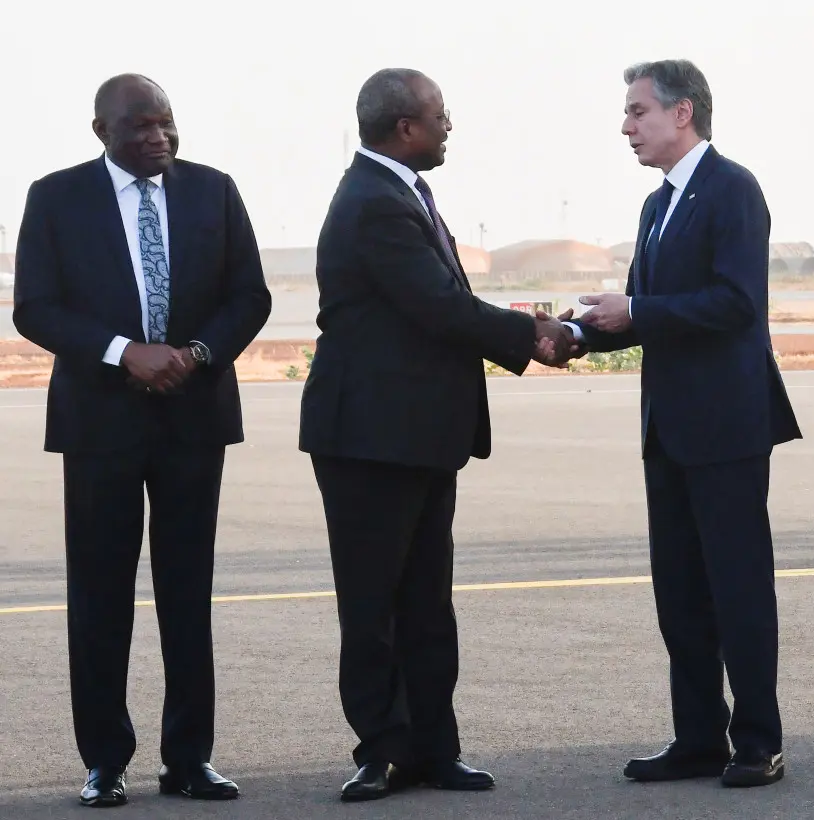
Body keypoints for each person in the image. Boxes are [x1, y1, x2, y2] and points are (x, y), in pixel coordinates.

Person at [298, 67, 574, 803]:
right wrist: (533, 335)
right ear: (404, 128)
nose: (449, 126)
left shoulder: (399, 193)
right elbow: (438, 305)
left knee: (425, 600)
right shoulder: (375, 202)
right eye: (440, 116)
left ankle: (433, 746)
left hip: (416, 435)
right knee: (375, 603)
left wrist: (528, 331)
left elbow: (444, 302)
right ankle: (384, 749)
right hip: (367, 438)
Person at [12, 74, 271, 806]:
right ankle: (104, 760)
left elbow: (250, 295)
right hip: (101, 424)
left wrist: (194, 355)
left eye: (168, 124)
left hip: (194, 418)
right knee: (99, 596)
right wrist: (123, 351)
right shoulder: (56, 197)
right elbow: (35, 306)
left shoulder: (214, 191)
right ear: (102, 131)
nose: (158, 137)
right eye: (141, 127)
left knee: (187, 593)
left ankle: (189, 758)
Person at [558, 58, 801, 788]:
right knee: (682, 595)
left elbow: (734, 304)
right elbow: (639, 313)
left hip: (726, 426)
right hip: (667, 427)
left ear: (683, 113)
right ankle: (698, 737)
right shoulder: (657, 204)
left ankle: (758, 740)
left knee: (737, 588)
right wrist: (571, 336)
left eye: (638, 112)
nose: (627, 127)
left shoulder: (731, 190)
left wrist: (636, 311)